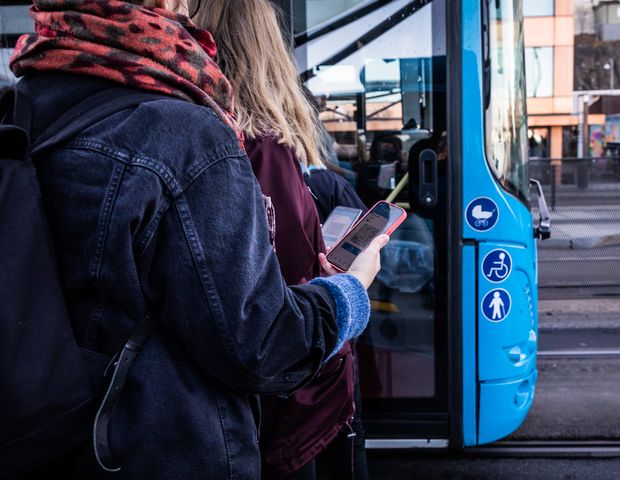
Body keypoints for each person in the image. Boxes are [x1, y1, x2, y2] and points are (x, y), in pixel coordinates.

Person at [9, 0, 387, 478]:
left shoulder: (21, 108)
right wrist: (349, 294)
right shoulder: (186, 136)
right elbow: (263, 346)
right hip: (160, 451)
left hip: (45, 441)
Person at [192, 1, 367, 478]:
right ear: (267, 53)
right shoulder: (263, 146)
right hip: (297, 410)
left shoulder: (193, 134)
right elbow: (289, 298)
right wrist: (353, 284)